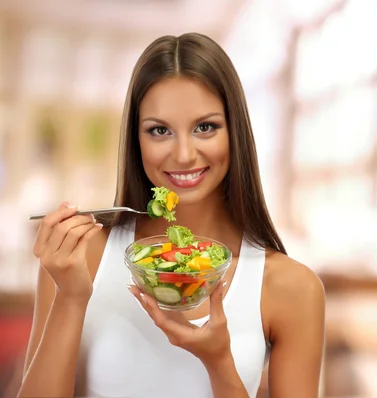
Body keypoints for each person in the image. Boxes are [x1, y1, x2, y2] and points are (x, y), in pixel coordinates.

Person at [18, 33, 326, 398]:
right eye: (160, 130)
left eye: (205, 127)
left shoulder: (294, 289)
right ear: (136, 140)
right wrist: (70, 297)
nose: (183, 154)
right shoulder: (79, 257)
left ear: (235, 133)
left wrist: (219, 362)